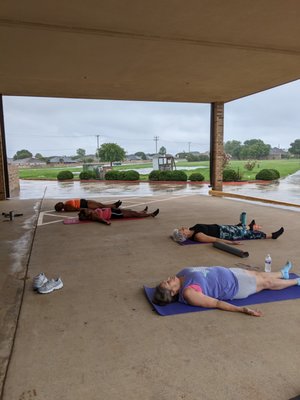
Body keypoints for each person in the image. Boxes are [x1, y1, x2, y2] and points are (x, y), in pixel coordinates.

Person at [152, 262, 300, 317]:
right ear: (173, 292)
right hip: (235, 286)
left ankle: (282, 273)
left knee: (258, 274)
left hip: (231, 273)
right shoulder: (189, 293)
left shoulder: (180, 275)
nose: (168, 279)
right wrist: (242, 310)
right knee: (266, 283)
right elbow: (216, 303)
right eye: (167, 283)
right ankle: (296, 281)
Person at [172, 220, 284, 245]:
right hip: (225, 233)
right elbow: (216, 240)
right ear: (184, 235)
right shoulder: (198, 236)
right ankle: (271, 236)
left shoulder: (192, 229)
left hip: (222, 227)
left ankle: (249, 226)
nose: (182, 227)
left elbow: (174, 236)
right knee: (245, 233)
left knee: (239, 227)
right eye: (182, 230)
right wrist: (231, 243)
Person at [78, 206, 159, 225]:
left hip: (113, 210)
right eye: (86, 210)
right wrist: (106, 222)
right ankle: (151, 214)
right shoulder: (93, 216)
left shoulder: (92, 212)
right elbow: (100, 219)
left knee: (130, 211)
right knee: (133, 214)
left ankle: (142, 211)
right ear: (87, 214)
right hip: (114, 214)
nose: (88, 209)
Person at [55, 198, 122, 212]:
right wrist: (86, 209)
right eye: (59, 204)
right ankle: (114, 206)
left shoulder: (66, 203)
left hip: (85, 201)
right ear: (60, 207)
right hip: (85, 205)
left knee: (101, 204)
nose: (59, 203)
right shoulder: (67, 207)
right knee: (101, 206)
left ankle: (114, 205)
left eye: (58, 203)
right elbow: (76, 209)